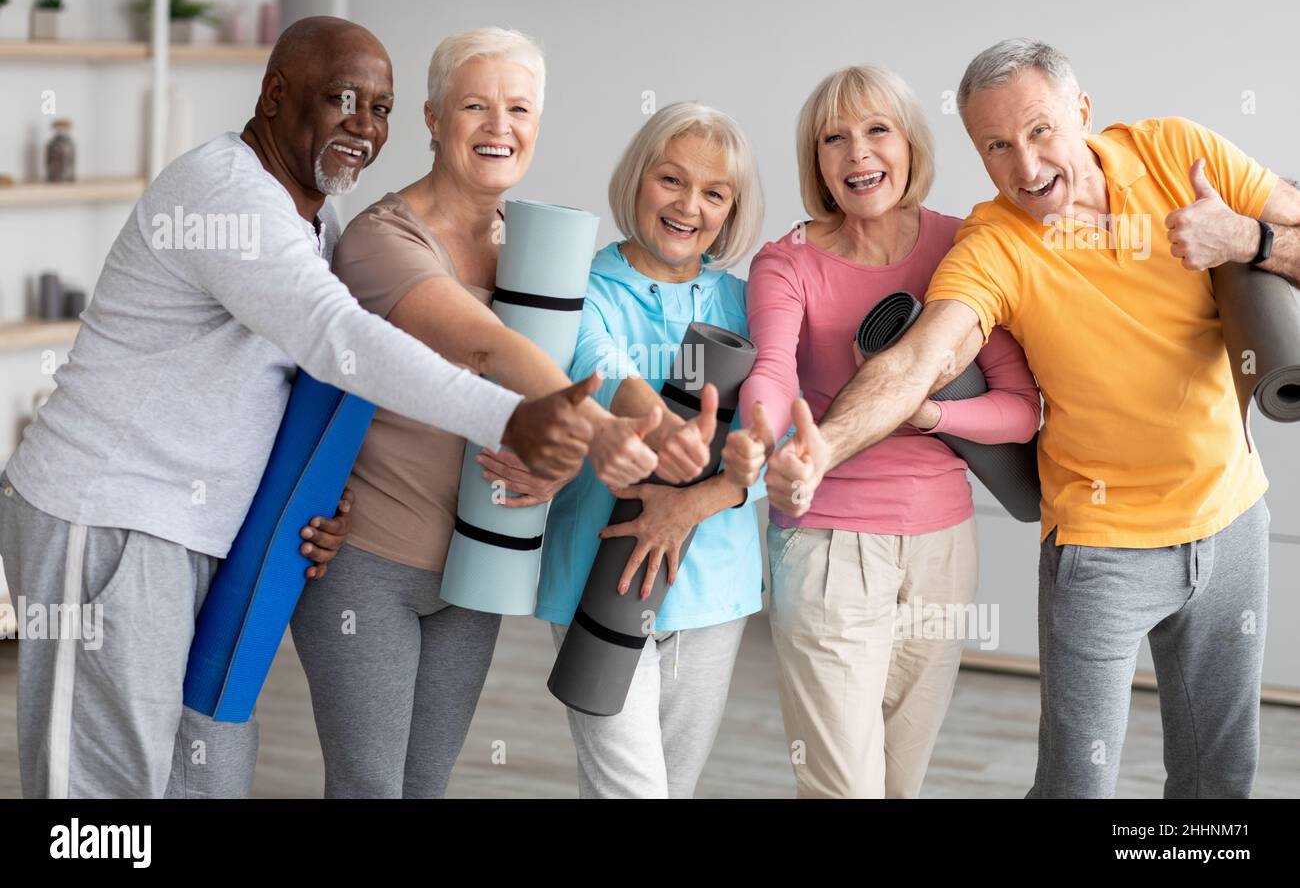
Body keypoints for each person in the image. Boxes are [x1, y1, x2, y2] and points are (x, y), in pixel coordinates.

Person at [0, 17, 612, 800]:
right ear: (274, 95)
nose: (364, 126)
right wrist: (510, 417)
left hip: (207, 528)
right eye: (341, 100)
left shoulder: (316, 218)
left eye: (380, 109)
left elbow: (293, 390)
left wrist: (325, 497)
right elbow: (339, 340)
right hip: (111, 512)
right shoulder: (226, 197)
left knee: (203, 771)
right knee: (103, 789)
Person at [753, 39, 1300, 798]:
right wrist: (821, 449)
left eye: (1040, 130)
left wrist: (1248, 239)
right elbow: (920, 358)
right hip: (1101, 546)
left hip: (1233, 517)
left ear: (1082, 111)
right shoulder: (994, 242)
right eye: (998, 147)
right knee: (1076, 784)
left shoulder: (1179, 152)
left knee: (1220, 778)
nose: (1027, 166)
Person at [290, 27, 687, 798]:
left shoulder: (534, 251)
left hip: (476, 567)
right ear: (434, 117)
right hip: (366, 559)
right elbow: (483, 347)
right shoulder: (380, 238)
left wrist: (564, 459)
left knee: (426, 785)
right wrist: (595, 433)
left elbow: (566, 374)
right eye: (475, 106)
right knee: (369, 787)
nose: (499, 126)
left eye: (519, 109)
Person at [722, 65, 1040, 798]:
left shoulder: (965, 244)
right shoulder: (788, 261)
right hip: (828, 545)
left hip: (942, 547)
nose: (858, 153)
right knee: (843, 786)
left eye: (876, 130)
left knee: (901, 781)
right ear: (817, 161)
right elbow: (771, 369)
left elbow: (1019, 407)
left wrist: (926, 412)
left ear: (909, 143)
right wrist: (770, 439)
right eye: (834, 138)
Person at [512, 102, 766, 798]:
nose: (689, 206)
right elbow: (602, 368)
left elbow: (770, 440)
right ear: (637, 179)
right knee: (632, 790)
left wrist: (704, 493)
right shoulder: (582, 286)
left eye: (714, 193)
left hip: (711, 587)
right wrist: (665, 431)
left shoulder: (746, 305)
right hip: (598, 573)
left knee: (670, 788)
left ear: (731, 209)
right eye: (671, 180)